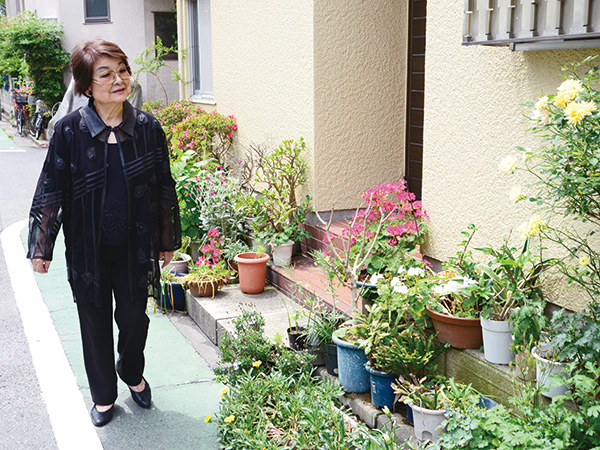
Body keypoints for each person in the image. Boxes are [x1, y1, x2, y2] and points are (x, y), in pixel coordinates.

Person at [27, 40, 181, 427]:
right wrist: (41, 245)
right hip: (87, 249)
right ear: (85, 85)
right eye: (106, 73)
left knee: (134, 319)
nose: (119, 79)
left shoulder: (148, 128)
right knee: (93, 324)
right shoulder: (69, 131)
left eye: (123, 70)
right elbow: (52, 187)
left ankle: (131, 373)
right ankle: (103, 396)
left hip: (134, 248)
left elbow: (164, 184)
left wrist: (166, 240)